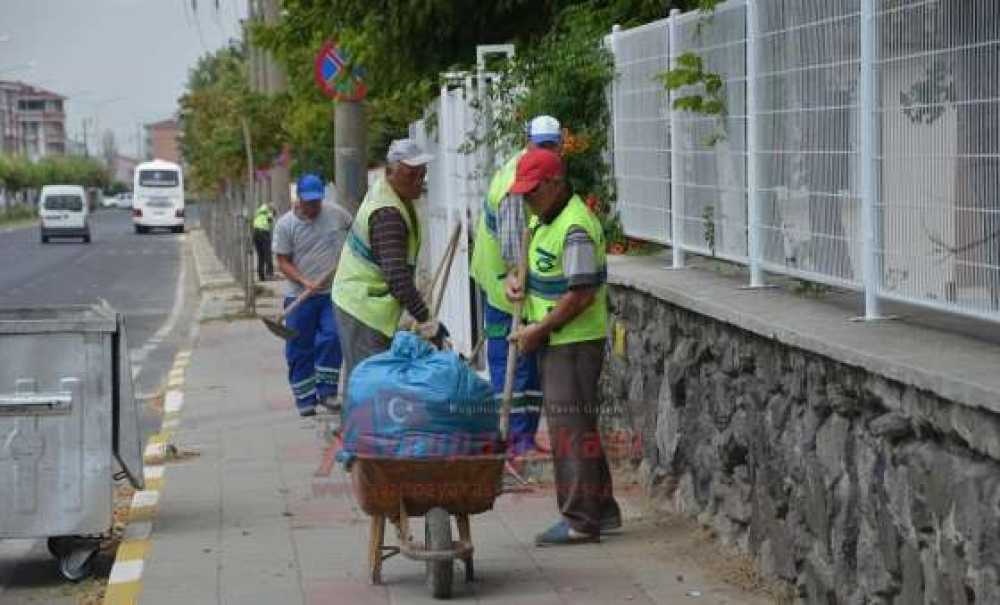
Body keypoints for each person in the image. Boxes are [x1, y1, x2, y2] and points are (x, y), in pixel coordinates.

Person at [505, 148, 621, 545]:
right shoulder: (543, 219)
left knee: (568, 433)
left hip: (572, 342)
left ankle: (579, 521)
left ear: (555, 183)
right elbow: (537, 268)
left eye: (532, 191)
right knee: (579, 426)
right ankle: (602, 510)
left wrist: (539, 330)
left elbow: (581, 294)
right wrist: (517, 281)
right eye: (523, 192)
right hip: (557, 339)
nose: (526, 199)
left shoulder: (574, 227)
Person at [471, 115, 562, 459]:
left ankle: (525, 435)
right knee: (510, 358)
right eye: (541, 145)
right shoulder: (516, 183)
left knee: (529, 361)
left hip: (515, 283)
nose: (547, 151)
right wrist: (516, 276)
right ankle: (512, 438)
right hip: (504, 286)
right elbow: (512, 250)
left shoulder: (540, 171)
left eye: (552, 145)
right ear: (528, 142)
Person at [332, 139, 444, 403]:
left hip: (363, 300)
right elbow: (397, 279)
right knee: (370, 383)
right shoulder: (387, 214)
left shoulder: (391, 195)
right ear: (390, 172)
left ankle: (359, 424)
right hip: (363, 305)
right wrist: (426, 318)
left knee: (365, 379)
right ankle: (363, 427)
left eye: (422, 173)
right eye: (410, 174)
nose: (418, 181)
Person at [272, 173, 352, 418]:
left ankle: (327, 392)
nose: (313, 207)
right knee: (299, 347)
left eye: (317, 201)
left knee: (332, 337)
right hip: (300, 296)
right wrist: (304, 281)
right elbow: (282, 261)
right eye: (309, 202)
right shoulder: (286, 225)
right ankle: (305, 399)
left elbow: (355, 232)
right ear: (299, 198)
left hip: (332, 293)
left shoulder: (337, 214)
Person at [252, 201, 276, 281]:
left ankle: (261, 275)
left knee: (260, 255)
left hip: (255, 233)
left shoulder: (258, 211)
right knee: (268, 253)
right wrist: (272, 215)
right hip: (264, 232)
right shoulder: (269, 211)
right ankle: (270, 273)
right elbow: (270, 220)